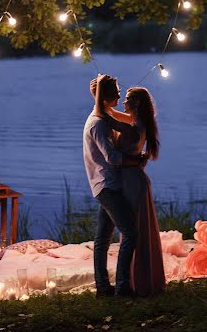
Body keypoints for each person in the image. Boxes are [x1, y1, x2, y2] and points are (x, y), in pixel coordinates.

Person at [95, 75, 166, 297]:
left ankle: (133, 282)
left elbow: (106, 118)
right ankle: (132, 279)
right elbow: (111, 114)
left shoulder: (134, 127)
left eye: (127, 99)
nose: (123, 101)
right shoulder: (135, 121)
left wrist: (99, 97)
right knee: (132, 230)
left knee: (133, 231)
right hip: (129, 179)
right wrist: (98, 95)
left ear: (135, 104)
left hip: (132, 181)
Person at [83, 74, 146, 298]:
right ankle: (122, 286)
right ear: (108, 95)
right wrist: (136, 161)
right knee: (130, 233)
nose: (120, 94)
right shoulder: (98, 123)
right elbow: (112, 158)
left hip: (106, 184)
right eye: (117, 91)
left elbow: (129, 122)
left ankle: (103, 287)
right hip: (107, 186)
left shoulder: (105, 114)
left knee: (102, 239)